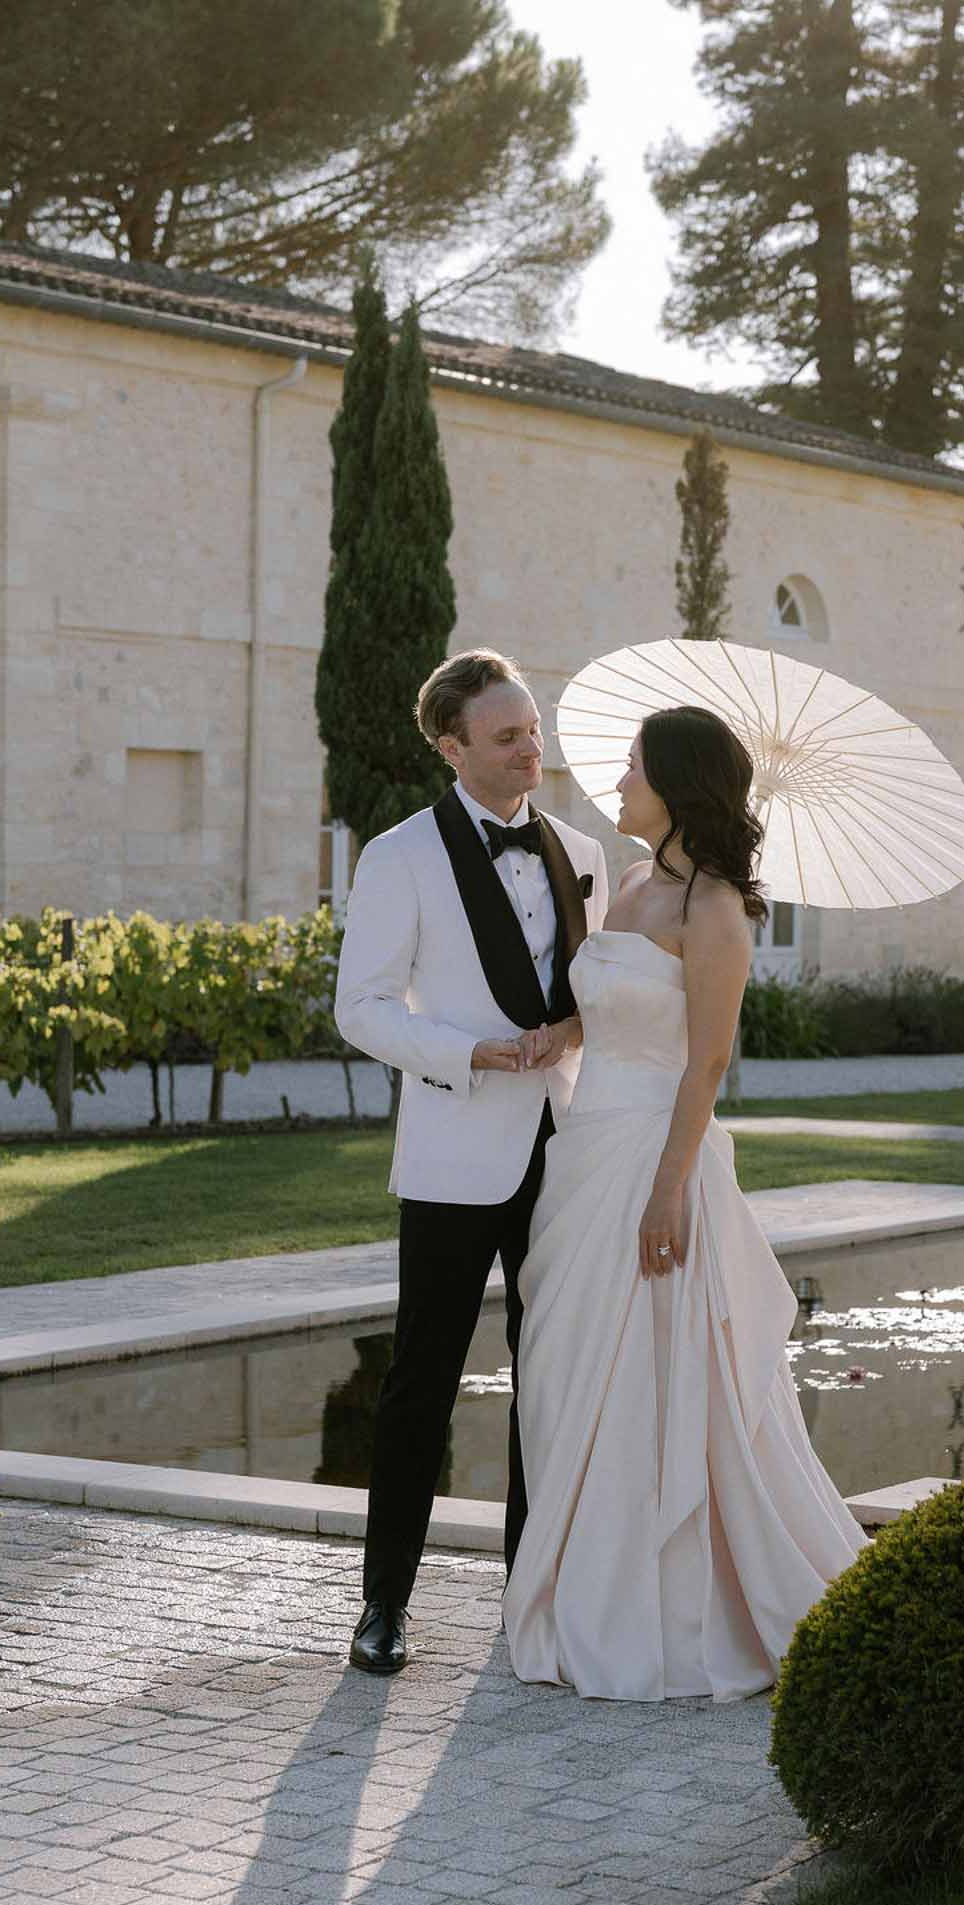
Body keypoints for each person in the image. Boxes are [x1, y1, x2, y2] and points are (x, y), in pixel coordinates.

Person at [503, 706, 867, 1702]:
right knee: (565, 1369)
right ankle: (583, 1585)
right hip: (584, 1155)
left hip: (657, 1158)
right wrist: (558, 1036)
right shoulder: (628, 884)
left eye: (632, 767)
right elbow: (616, 1005)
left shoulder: (717, 907)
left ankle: (668, 1610)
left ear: (675, 782)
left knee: (657, 1378)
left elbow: (705, 1060)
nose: (618, 782)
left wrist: (667, 1191)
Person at [334, 649, 609, 1675]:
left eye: (533, 728)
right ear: (451, 747)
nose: (533, 748)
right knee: (421, 1383)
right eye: (507, 736)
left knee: (552, 1377)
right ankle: (384, 1604)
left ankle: (531, 1597)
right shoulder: (399, 855)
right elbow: (360, 1007)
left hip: (566, 1150)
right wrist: (468, 1053)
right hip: (453, 1151)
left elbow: (597, 994)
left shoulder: (580, 849)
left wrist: (574, 1026)